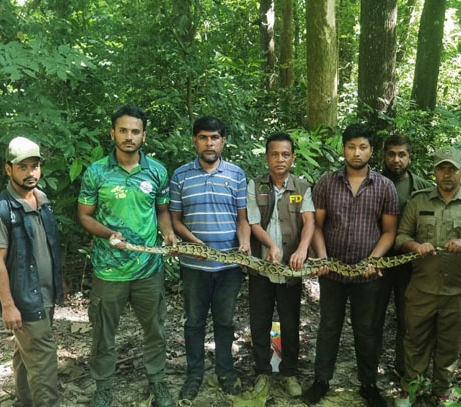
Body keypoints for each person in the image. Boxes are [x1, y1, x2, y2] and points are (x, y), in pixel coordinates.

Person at [77, 105, 177, 407]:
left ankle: (158, 383)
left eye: (135, 131)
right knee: (103, 335)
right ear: (113, 133)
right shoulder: (96, 172)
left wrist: (169, 233)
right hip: (109, 271)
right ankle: (103, 389)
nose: (129, 136)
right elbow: (84, 215)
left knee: (155, 331)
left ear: (143, 135)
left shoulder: (156, 171)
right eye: (123, 130)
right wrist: (108, 234)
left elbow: (161, 211)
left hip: (148, 269)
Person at [394, 148, 461, 407]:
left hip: (458, 289)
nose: (447, 174)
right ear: (434, 171)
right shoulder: (419, 201)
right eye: (442, 168)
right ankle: (411, 387)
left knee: (449, 345)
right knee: (414, 341)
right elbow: (401, 237)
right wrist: (415, 246)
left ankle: (442, 391)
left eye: (452, 169)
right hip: (422, 287)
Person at [302, 123, 399, 407]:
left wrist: (374, 259)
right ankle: (321, 381)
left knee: (366, 329)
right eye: (351, 146)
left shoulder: (384, 186)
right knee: (329, 326)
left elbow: (389, 231)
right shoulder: (326, 183)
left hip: (368, 274)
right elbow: (318, 226)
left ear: (371, 150)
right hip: (332, 271)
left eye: (363, 147)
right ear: (343, 148)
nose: (357, 153)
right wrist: (321, 257)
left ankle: (368, 385)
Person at [169, 116, 251, 400]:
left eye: (214, 137)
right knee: (193, 322)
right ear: (194, 140)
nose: (209, 143)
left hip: (229, 265)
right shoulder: (180, 175)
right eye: (203, 137)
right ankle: (194, 375)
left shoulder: (237, 174)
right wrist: (195, 243)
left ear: (223, 141)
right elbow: (175, 220)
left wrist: (244, 244)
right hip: (194, 265)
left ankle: (225, 372)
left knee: (225, 322)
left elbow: (243, 219)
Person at [0, 136, 63, 407]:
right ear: (8, 169)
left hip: (45, 293)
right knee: (43, 355)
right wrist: (8, 305)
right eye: (23, 167)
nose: (31, 173)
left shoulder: (42, 200)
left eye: (35, 166)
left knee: (26, 352)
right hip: (24, 299)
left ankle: (24, 401)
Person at [246, 132, 315, 397]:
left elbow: (309, 222)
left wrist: (302, 248)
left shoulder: (302, 188)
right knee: (259, 321)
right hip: (261, 268)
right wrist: (270, 246)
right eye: (274, 154)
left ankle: (289, 373)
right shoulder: (255, 185)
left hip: (290, 270)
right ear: (266, 157)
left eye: (285, 154)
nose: (280, 159)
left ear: (293, 158)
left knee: (290, 321)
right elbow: (253, 222)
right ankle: (262, 371)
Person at [374, 133, 432, 379]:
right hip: (376, 260)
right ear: (383, 155)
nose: (396, 160)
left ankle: (404, 368)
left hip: (409, 264)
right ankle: (369, 371)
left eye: (402, 154)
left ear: (410, 157)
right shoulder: (371, 182)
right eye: (391, 154)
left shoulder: (422, 188)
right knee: (371, 318)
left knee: (407, 319)